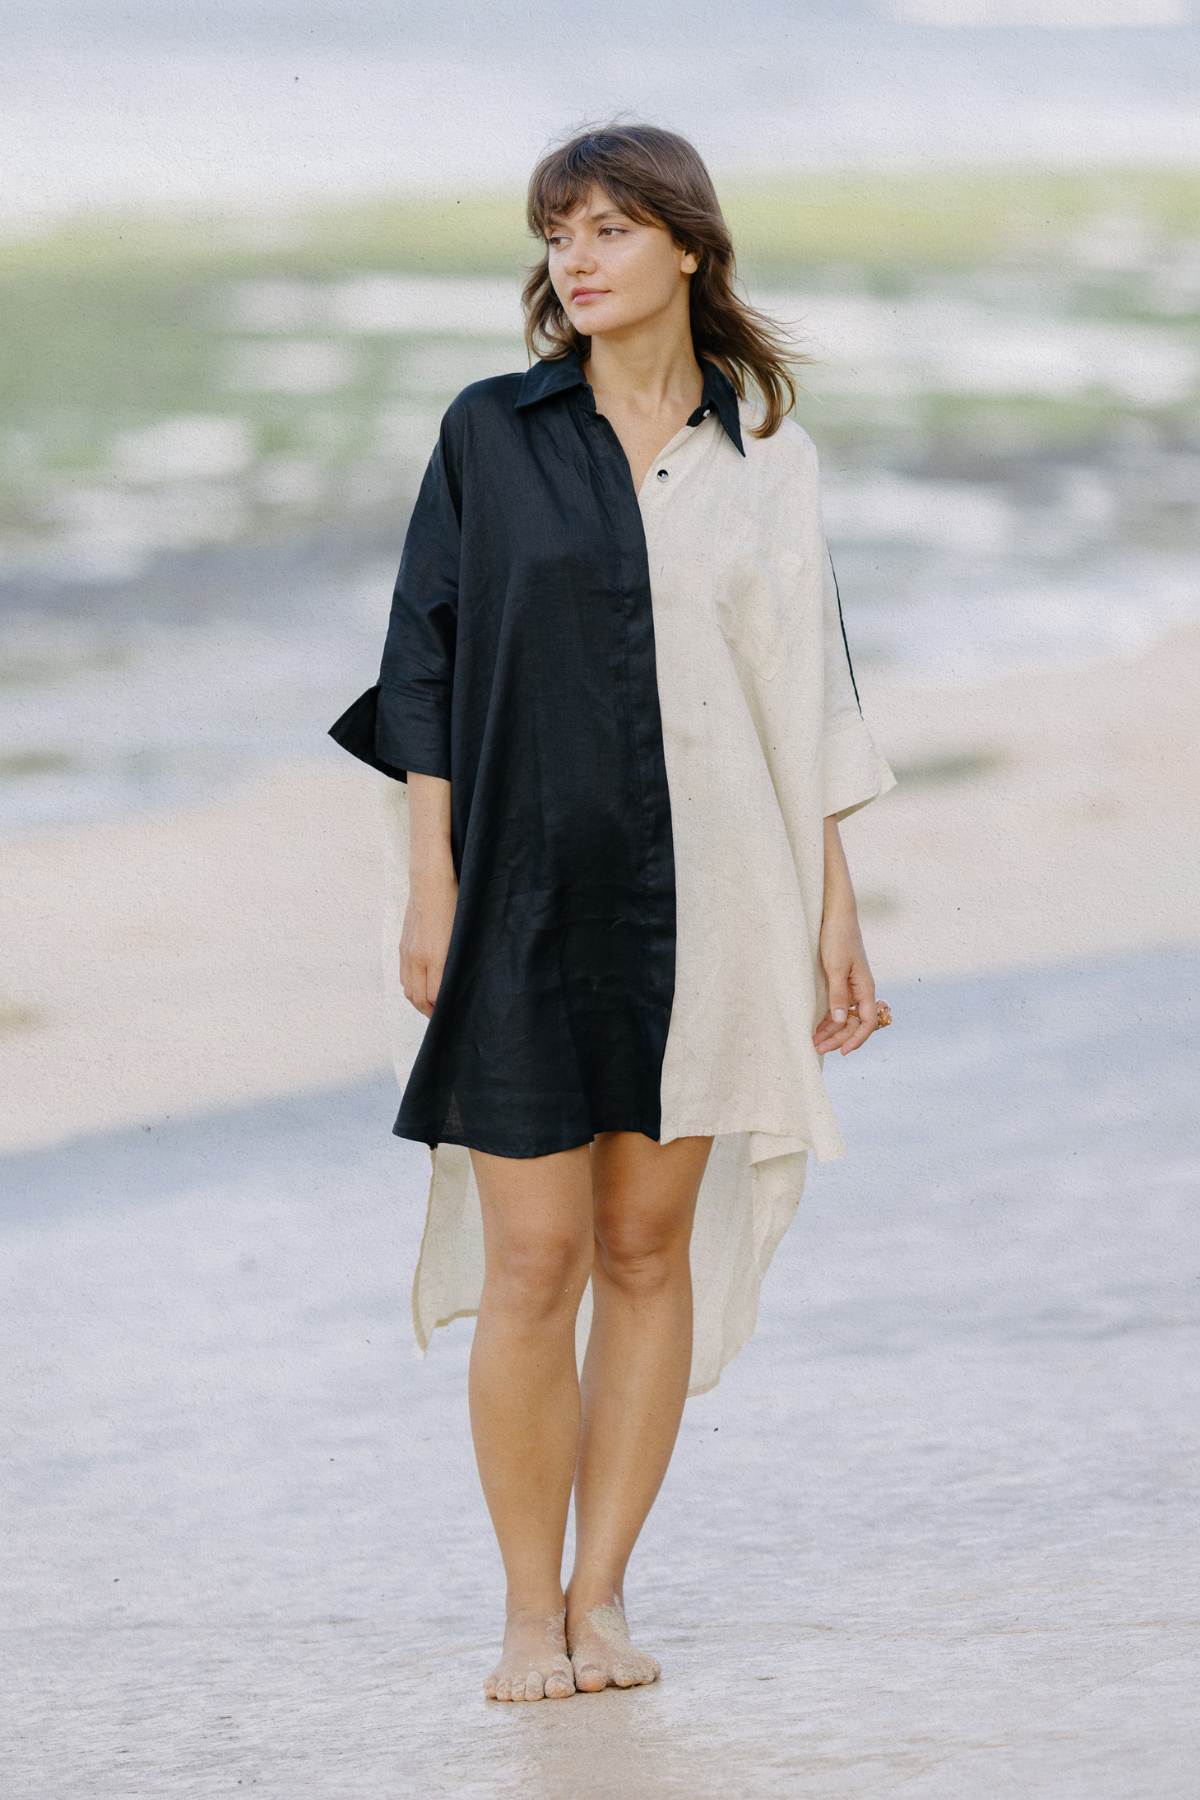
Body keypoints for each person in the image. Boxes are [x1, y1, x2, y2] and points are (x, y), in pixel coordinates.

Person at [327, 121, 898, 1704]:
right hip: (519, 894)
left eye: (609, 229)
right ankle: (524, 1614)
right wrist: (433, 881)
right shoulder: (491, 434)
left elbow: (811, 697)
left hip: (713, 899)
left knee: (649, 1255)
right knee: (536, 1261)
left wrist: (835, 916)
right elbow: (424, 661)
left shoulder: (766, 455)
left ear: (688, 251)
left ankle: (601, 1599)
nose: (575, 259)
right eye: (557, 233)